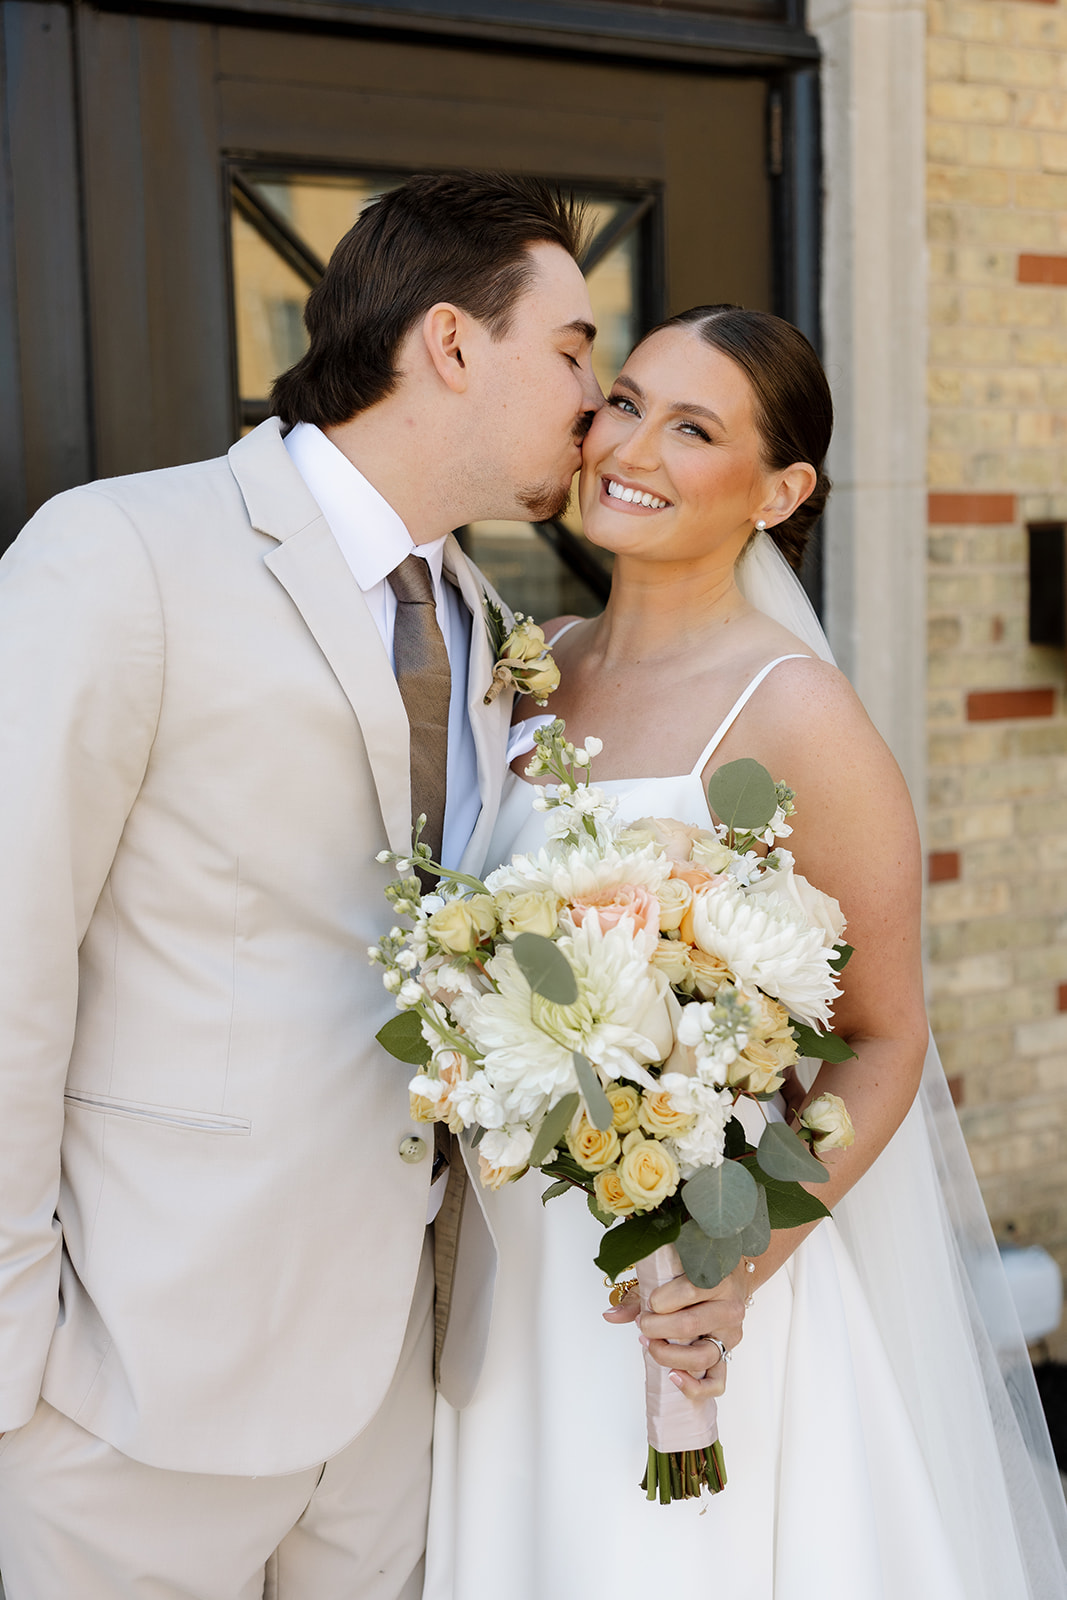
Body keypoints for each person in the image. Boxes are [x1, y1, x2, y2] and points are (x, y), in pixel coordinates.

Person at [0, 171, 611, 1600]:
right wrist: (18, 1367)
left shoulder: (493, 623)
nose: (597, 400)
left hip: (396, 1394)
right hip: (128, 1392)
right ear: (453, 343)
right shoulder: (120, 554)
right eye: (575, 350)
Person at [424, 306, 1067, 1599]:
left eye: (694, 427)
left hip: (684, 1274)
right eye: (626, 401)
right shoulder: (527, 673)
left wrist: (743, 1256)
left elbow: (884, 1038)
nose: (631, 445)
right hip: (506, 1275)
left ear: (782, 491)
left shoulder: (795, 711)